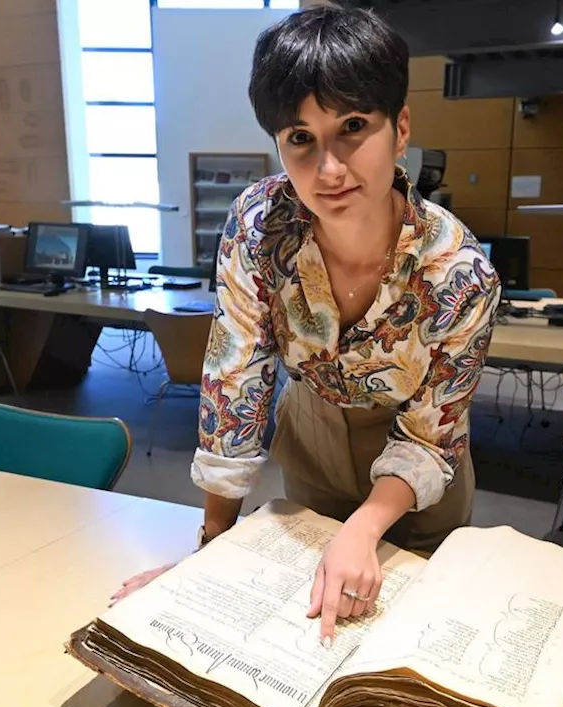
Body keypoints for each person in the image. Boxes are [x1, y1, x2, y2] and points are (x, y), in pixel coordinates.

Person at [113, 6, 499, 642]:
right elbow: (237, 379)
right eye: (300, 138)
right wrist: (209, 547)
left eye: (352, 127)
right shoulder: (260, 225)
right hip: (312, 430)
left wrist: (365, 526)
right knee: (297, 627)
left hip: (415, 464)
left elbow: (432, 435)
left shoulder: (457, 272)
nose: (329, 169)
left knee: (402, 637)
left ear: (400, 128)